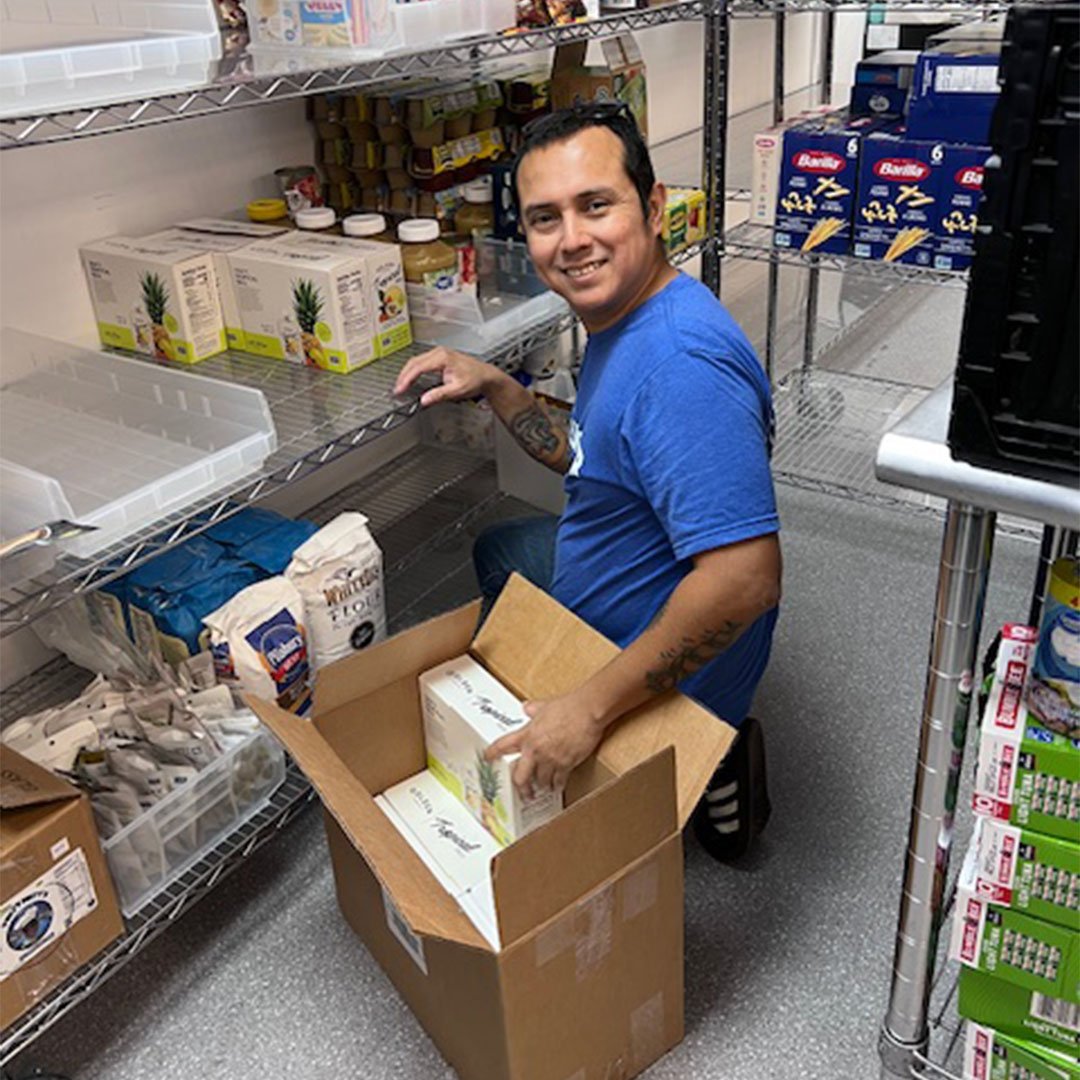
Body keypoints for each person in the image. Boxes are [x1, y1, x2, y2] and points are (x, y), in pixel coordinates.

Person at [394, 103, 781, 861]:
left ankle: (708, 745)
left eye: (595, 205)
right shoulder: (629, 319)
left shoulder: (677, 366)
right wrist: (499, 387)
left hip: (670, 658)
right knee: (506, 546)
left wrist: (586, 710)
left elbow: (744, 580)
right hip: (643, 587)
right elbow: (589, 452)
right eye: (546, 218)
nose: (572, 240)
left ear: (655, 205)